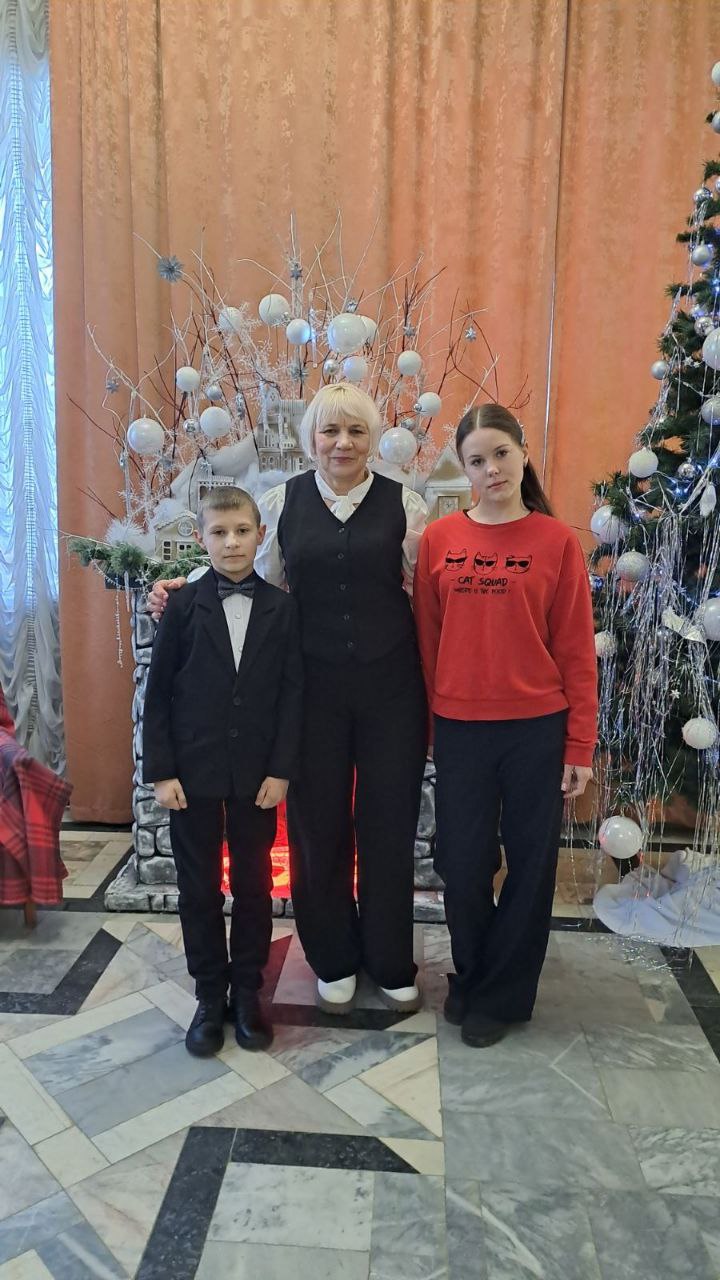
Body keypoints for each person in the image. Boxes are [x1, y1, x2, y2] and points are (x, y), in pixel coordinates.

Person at [149, 383, 428, 1015]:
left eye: (356, 431)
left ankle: (389, 957)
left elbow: (424, 592)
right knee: (316, 824)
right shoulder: (281, 503)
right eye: (330, 431)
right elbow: (249, 573)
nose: (343, 443)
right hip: (313, 691)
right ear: (311, 439)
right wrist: (182, 586)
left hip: (392, 691)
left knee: (389, 823)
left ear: (372, 438)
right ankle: (332, 956)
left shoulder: (406, 505)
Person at [413, 404, 597, 1048]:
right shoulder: (439, 540)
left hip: (536, 730)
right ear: (464, 471)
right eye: (477, 460)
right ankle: (474, 972)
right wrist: (432, 730)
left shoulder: (556, 542)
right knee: (461, 864)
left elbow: (575, 649)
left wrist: (579, 744)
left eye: (501, 454)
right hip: (460, 728)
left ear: (522, 454)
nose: (491, 469)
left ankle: (502, 994)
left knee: (530, 864)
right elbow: (428, 644)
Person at [143, 486, 302, 1056]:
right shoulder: (182, 605)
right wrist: (162, 771)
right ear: (201, 538)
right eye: (219, 532)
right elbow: (159, 693)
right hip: (193, 775)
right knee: (198, 888)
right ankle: (209, 995)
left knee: (255, 885)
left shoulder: (283, 608)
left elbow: (292, 695)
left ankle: (247, 993)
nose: (231, 542)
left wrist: (282, 769)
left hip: (256, 776)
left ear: (261, 535)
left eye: (241, 531)